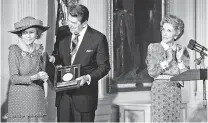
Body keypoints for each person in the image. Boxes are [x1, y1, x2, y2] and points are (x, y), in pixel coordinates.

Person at [50, 4, 110, 122]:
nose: (70, 25)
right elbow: (58, 56)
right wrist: (53, 59)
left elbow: (104, 66)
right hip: (64, 97)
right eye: (69, 21)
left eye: (74, 23)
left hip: (84, 98)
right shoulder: (62, 33)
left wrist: (88, 77)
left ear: (84, 23)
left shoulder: (98, 38)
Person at [145, 14, 190, 122]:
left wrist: (179, 61)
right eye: (163, 30)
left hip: (175, 89)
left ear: (176, 34)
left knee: (173, 120)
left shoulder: (182, 50)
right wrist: (168, 60)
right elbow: (152, 72)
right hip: (159, 89)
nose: (164, 33)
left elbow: (186, 75)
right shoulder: (154, 47)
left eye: (169, 31)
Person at [7, 16, 49, 122]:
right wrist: (35, 77)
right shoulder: (14, 50)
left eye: (31, 32)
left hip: (37, 97)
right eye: (25, 33)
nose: (28, 36)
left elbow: (41, 71)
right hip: (20, 100)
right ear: (20, 34)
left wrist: (45, 75)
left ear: (37, 33)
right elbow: (14, 78)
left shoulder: (40, 49)